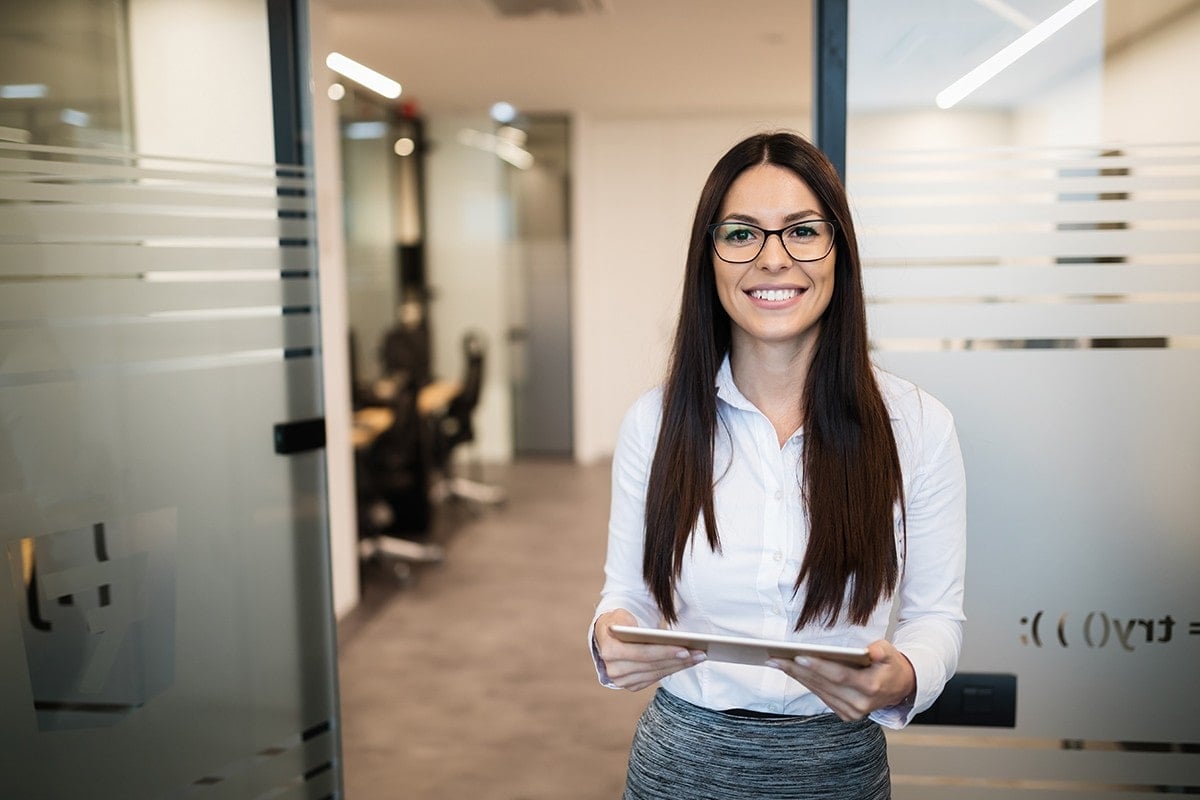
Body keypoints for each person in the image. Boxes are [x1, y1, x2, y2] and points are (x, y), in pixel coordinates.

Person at [589, 131, 966, 800]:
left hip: (837, 769)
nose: (772, 259)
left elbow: (935, 616)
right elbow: (626, 597)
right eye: (741, 235)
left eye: (801, 231)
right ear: (710, 257)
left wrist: (903, 675)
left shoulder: (918, 425)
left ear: (839, 252)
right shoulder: (657, 421)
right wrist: (610, 638)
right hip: (681, 767)